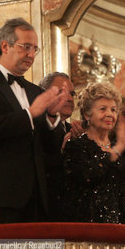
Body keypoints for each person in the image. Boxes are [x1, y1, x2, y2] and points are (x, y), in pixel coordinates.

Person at [0, 17, 68, 224]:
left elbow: (48, 149)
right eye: (26, 47)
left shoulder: (35, 91)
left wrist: (52, 117)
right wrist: (31, 113)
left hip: (36, 199)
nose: (31, 55)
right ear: (5, 46)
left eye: (35, 49)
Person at [63, 82, 125, 224]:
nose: (110, 114)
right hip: (92, 230)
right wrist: (115, 152)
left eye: (114, 110)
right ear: (86, 114)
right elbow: (89, 174)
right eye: (103, 109)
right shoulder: (76, 146)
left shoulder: (124, 149)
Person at [38, 72, 83, 221]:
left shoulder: (76, 131)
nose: (70, 98)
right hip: (44, 212)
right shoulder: (34, 127)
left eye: (72, 93)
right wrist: (63, 153)